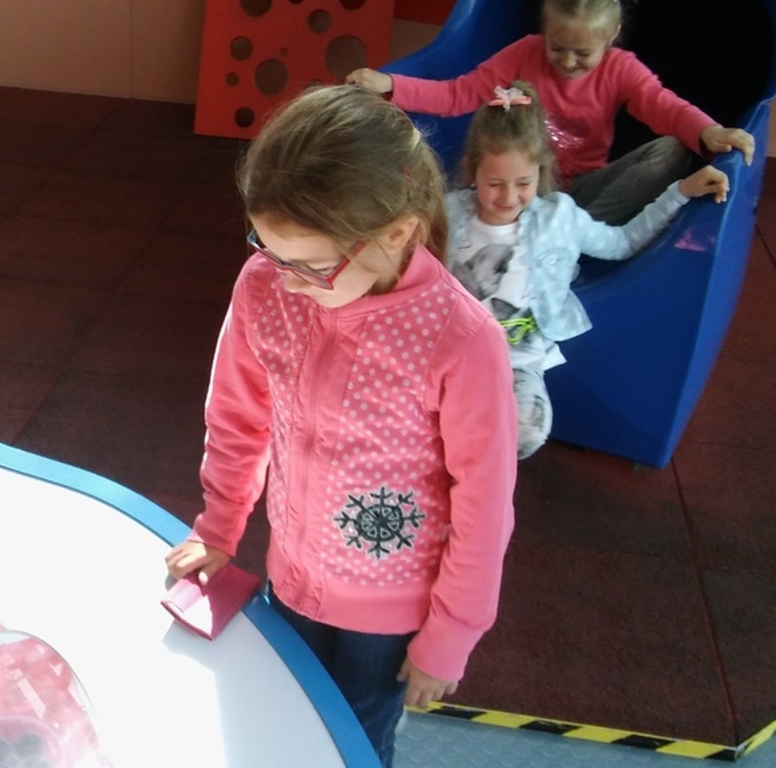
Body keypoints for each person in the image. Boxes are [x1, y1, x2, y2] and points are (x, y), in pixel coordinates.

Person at [163, 85, 517, 767]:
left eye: (312, 266)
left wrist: (451, 635)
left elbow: (484, 504)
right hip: (290, 578)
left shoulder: (462, 340)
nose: (286, 280)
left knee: (352, 748)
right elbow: (236, 414)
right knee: (278, 726)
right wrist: (218, 526)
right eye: (268, 249)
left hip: (388, 619)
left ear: (396, 234)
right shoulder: (265, 285)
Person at [447, 82, 728, 458]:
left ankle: (481, 474)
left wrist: (680, 192)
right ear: (472, 170)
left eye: (524, 183)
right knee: (432, 419)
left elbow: (622, 242)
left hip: (518, 360)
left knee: (524, 434)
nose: (509, 197)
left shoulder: (558, 218)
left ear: (541, 171)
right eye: (494, 183)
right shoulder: (449, 213)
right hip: (452, 352)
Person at [345, 0, 751, 225]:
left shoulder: (620, 69)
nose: (568, 62)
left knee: (672, 150)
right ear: (545, 30)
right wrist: (392, 85)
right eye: (558, 48)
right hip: (520, 188)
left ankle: (574, 237)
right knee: (464, 192)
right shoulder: (524, 53)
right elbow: (458, 94)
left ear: (610, 37)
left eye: (583, 53)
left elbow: (663, 105)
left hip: (579, 197)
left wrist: (708, 131)